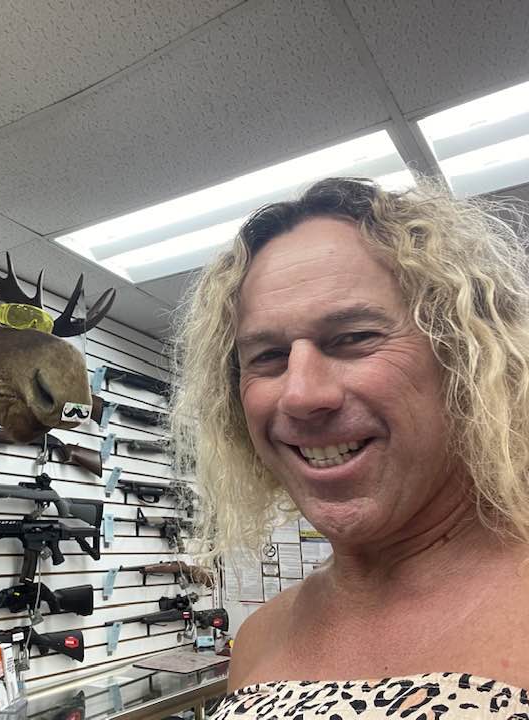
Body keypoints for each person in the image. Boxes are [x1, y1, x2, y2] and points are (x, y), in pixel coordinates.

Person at [171, 178, 529, 717]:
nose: (302, 394)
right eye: (267, 356)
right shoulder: (259, 638)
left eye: (354, 337)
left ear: (464, 357)